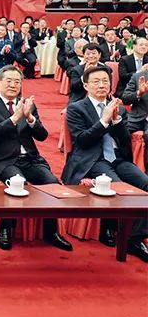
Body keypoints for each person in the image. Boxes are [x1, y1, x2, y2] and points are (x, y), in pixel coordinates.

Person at [0, 65, 73, 252]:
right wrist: (14, 118)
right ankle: (5, 228)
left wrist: (30, 118)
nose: (13, 85)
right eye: (9, 81)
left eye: (17, 81)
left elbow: (42, 136)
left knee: (52, 183)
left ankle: (51, 231)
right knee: (17, 182)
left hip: (29, 159)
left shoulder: (28, 104)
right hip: (3, 160)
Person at [62, 65, 148, 261]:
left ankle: (134, 237)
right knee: (119, 187)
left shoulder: (119, 108)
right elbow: (82, 141)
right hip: (92, 159)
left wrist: (116, 121)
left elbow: (125, 142)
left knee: (145, 184)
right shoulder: (76, 108)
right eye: (96, 81)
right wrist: (103, 121)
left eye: (105, 81)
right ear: (86, 85)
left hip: (117, 158)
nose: (101, 85)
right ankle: (109, 226)